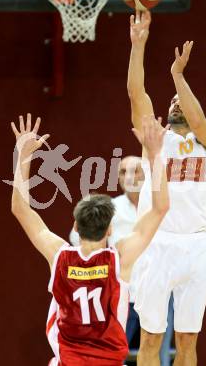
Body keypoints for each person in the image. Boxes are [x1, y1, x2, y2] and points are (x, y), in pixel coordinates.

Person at [10, 113, 169, 366]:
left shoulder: (59, 255)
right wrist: (155, 154)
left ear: (75, 226)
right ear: (109, 231)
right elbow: (161, 208)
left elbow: (20, 208)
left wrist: (23, 155)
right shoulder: (119, 259)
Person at [127, 11, 206, 366]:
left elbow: (198, 120)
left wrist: (177, 76)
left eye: (182, 100)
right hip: (158, 243)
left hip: (196, 246)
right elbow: (136, 93)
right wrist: (139, 46)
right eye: (172, 101)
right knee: (151, 338)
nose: (176, 102)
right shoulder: (156, 138)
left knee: (187, 340)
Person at [69, 156, 175, 364]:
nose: (129, 177)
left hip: (159, 293)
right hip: (120, 296)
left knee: (160, 356)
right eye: (123, 172)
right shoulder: (109, 210)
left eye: (135, 171)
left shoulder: (162, 208)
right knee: (112, 354)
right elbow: (78, 238)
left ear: (146, 174)